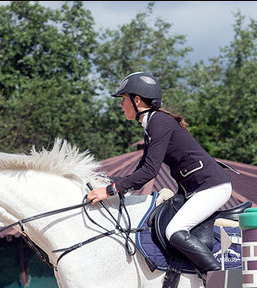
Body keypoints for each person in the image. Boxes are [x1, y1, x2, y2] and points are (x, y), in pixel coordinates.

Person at [86, 71, 233, 272]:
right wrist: (107, 181)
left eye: (123, 100)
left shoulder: (159, 122)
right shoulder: (152, 124)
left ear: (137, 100)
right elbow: (138, 174)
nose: (121, 105)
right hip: (199, 189)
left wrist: (111, 190)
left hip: (212, 187)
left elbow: (149, 171)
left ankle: (219, 278)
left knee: (174, 230)